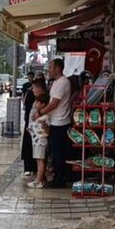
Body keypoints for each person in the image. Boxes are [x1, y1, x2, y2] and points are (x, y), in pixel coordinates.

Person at [36, 58, 72, 188]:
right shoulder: (56, 83)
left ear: (57, 68)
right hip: (55, 121)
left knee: (58, 153)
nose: (48, 70)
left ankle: (60, 178)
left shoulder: (63, 82)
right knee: (55, 151)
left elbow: (54, 103)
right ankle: (58, 176)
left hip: (60, 123)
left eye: (50, 67)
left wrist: (40, 113)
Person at [27, 94, 50, 189]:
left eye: (37, 102)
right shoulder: (39, 115)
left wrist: (42, 125)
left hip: (40, 142)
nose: (35, 104)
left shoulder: (45, 117)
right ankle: (39, 179)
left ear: (43, 104)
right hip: (36, 141)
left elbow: (47, 130)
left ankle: (38, 181)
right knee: (39, 161)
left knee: (40, 161)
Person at [20, 72, 37, 176]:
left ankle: (36, 168)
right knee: (28, 144)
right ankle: (28, 167)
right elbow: (24, 100)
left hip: (38, 124)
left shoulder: (42, 97)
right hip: (29, 121)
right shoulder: (27, 88)